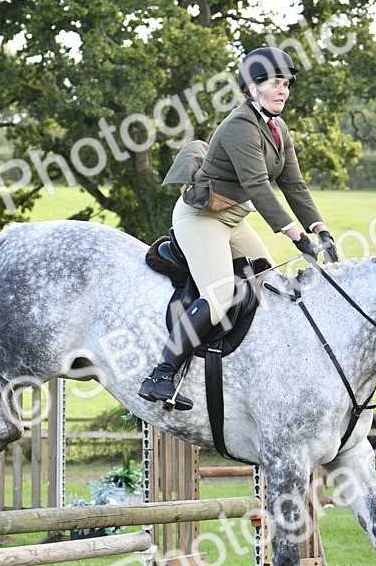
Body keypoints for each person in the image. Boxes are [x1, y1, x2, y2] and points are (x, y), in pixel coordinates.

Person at [141, 47, 337, 409]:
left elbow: (293, 184)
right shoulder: (240, 126)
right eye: (276, 83)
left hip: (233, 219)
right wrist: (297, 239)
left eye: (287, 84)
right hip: (202, 218)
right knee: (218, 297)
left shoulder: (278, 128)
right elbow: (259, 186)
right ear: (252, 87)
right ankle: (161, 375)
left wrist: (320, 230)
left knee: (268, 281)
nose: (283, 91)